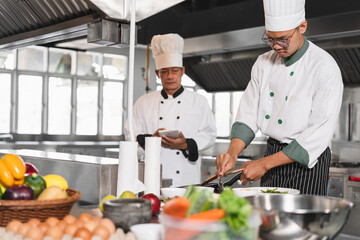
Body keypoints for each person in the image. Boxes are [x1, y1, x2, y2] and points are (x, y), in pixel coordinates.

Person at [216, 0, 343, 195]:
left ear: (302, 27)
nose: (276, 46)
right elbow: (248, 114)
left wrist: (264, 164)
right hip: (272, 154)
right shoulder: (263, 63)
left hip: (306, 164)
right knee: (269, 220)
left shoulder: (324, 67)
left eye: (283, 39)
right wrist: (232, 153)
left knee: (302, 224)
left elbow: (318, 133)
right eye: (270, 39)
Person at [125, 33, 216, 187]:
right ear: (157, 74)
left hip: (187, 178)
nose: (170, 76)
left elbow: (209, 134)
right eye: (164, 71)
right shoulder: (143, 102)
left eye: (174, 71)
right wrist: (151, 141)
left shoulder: (198, 101)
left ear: (182, 71)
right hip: (152, 177)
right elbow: (131, 135)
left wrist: (185, 144)